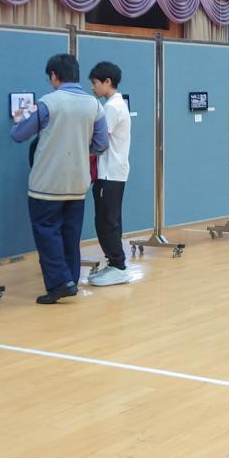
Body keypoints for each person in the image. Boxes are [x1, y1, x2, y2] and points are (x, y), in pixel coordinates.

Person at [11, 53, 108, 304]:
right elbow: (101, 144)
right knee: (70, 235)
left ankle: (59, 283)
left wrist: (20, 118)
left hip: (47, 184)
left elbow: (19, 135)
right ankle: (70, 280)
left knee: (47, 234)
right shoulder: (94, 105)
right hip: (77, 183)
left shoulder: (47, 103)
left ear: (54, 76)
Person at [87, 61, 132, 288]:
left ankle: (118, 266)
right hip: (111, 173)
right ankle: (115, 263)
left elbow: (100, 140)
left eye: (95, 83)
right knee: (108, 220)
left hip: (110, 173)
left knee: (107, 222)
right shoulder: (114, 104)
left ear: (107, 82)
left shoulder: (112, 107)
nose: (92, 87)